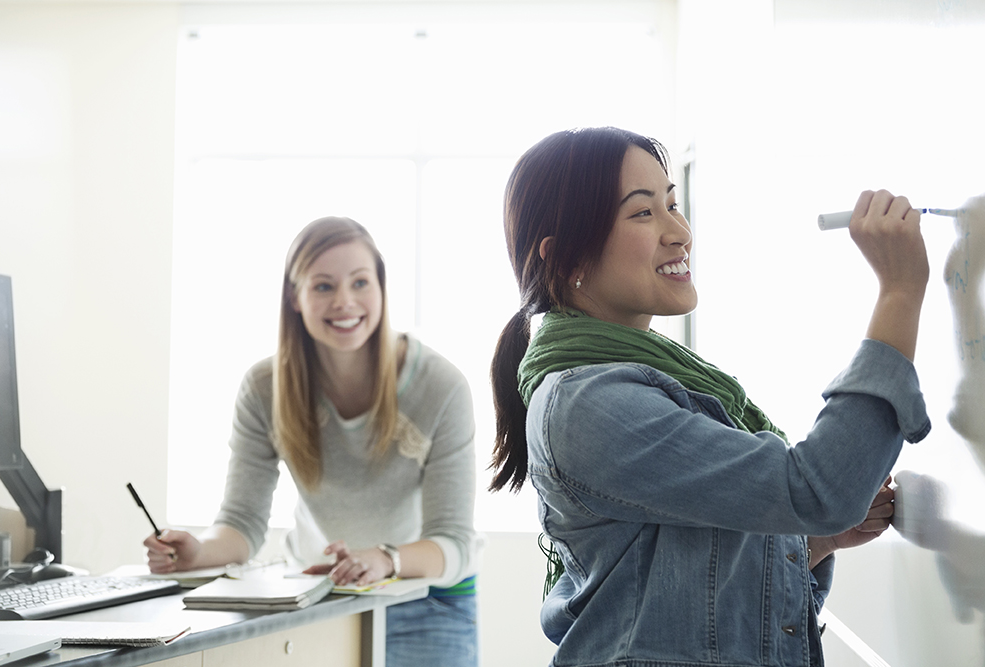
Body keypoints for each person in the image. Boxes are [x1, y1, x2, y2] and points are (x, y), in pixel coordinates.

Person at [489, 126, 930, 667]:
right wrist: (901, 292)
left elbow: (677, 580)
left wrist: (815, 543)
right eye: (643, 213)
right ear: (566, 260)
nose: (679, 232)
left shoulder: (650, 380)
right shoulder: (588, 404)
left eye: (672, 204)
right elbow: (815, 489)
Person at [145, 216, 480, 667]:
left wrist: (384, 559)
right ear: (294, 296)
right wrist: (198, 553)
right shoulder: (265, 388)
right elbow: (242, 523)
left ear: (381, 287)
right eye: (323, 286)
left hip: (428, 598)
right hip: (319, 594)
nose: (345, 302)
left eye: (360, 282)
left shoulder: (441, 385)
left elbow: (454, 541)